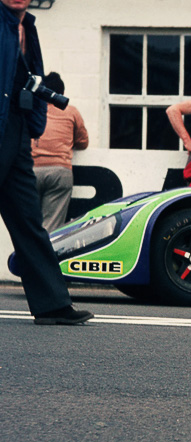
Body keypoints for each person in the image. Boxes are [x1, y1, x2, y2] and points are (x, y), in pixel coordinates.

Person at [0, 0, 92, 325]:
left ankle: (52, 305)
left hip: (17, 130)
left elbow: (33, 78)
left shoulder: (29, 26)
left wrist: (34, 122)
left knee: (29, 221)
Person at [31, 72, 88, 232]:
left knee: (29, 225)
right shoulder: (71, 111)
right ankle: (45, 256)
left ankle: (26, 256)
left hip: (31, 171)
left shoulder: (33, 111)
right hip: (59, 171)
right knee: (52, 228)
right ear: (61, 94)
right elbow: (83, 143)